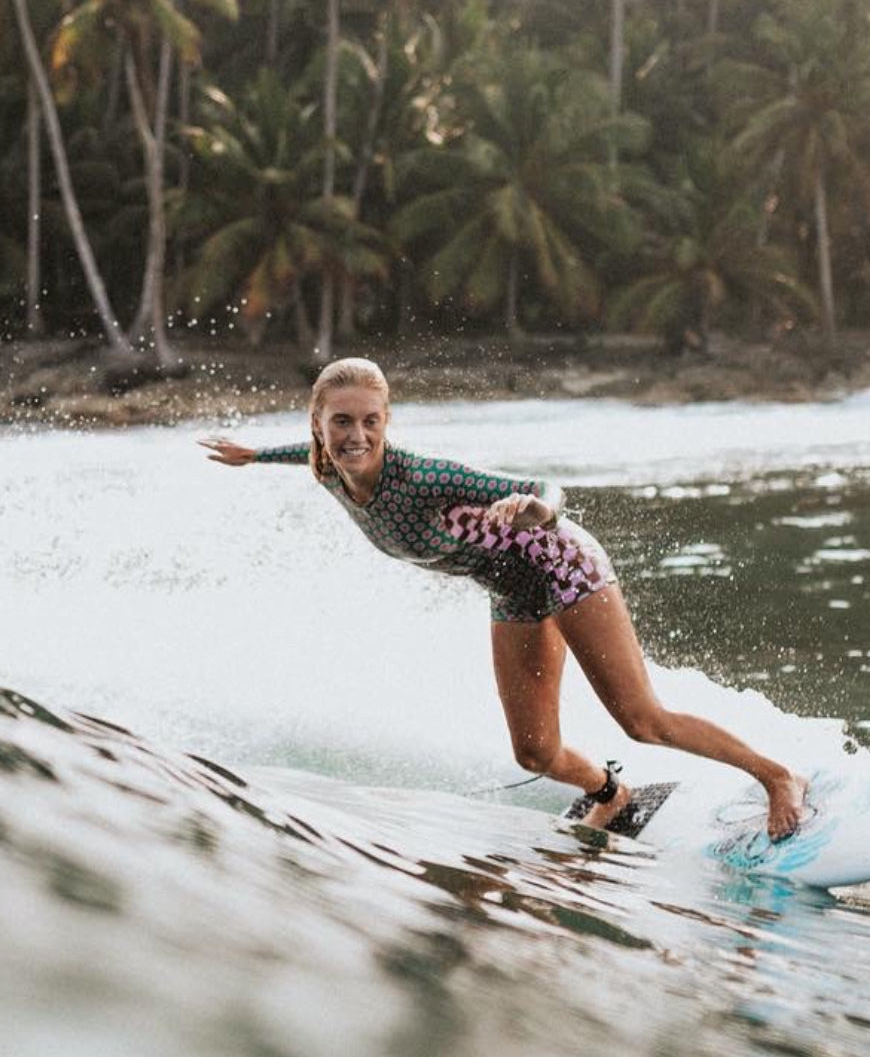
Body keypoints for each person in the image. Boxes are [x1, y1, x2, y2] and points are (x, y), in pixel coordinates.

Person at [199, 357, 807, 838]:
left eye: (370, 422)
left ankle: (776, 776)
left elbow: (544, 489)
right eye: (341, 422)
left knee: (641, 720)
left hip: (561, 563)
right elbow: (298, 453)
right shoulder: (328, 469)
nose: (356, 436)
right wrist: (252, 455)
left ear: (387, 422)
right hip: (510, 588)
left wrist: (536, 509)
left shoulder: (422, 477)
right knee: (535, 753)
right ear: (318, 425)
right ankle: (609, 795)